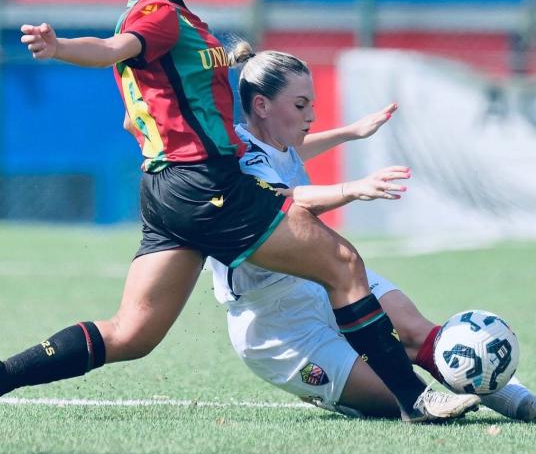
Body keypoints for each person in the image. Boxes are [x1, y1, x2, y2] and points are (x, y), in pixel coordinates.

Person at [0, 0, 479, 423]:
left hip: (168, 190)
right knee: (342, 264)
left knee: (133, 333)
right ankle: (416, 400)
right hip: (207, 185)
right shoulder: (156, 13)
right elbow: (113, 48)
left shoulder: (174, 20)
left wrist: (227, 65)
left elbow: (148, 103)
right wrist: (59, 47)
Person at [208, 43, 536, 420]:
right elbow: (291, 196)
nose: (311, 115)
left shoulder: (275, 143)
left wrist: (350, 132)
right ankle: (338, 392)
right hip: (275, 324)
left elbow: (291, 155)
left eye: (312, 104)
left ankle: (521, 401)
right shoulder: (241, 155)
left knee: (420, 336)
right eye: (301, 106)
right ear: (262, 106)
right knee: (391, 396)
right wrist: (353, 188)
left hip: (318, 280)